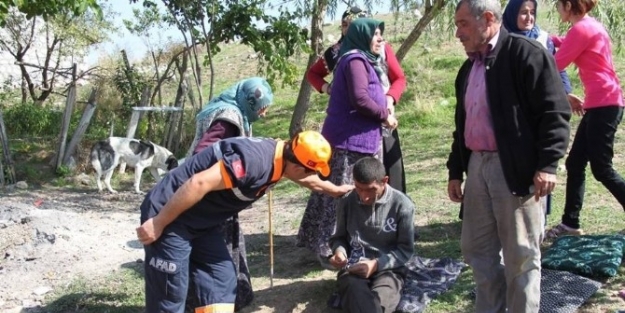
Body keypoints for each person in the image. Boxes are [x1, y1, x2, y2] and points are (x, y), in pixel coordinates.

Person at [136, 131, 353, 313]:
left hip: (201, 223)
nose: (310, 176)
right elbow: (198, 183)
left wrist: (334, 190)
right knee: (170, 294)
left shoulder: (282, 157)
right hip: (170, 215)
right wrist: (158, 223)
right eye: (311, 170)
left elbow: (302, 176)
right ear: (297, 165)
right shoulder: (253, 162)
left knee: (220, 279)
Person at [447, 0, 571, 312]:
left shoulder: (525, 54)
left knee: (521, 256)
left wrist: (547, 164)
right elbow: (462, 124)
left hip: (515, 169)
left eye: (463, 24)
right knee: (477, 250)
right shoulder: (468, 69)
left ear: (487, 18)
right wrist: (455, 170)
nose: (457, 33)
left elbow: (554, 112)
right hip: (477, 167)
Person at [297, 18, 397, 269]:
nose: (380, 39)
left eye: (380, 35)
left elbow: (392, 82)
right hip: (349, 143)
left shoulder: (363, 59)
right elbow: (361, 100)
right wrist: (385, 115)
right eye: (375, 35)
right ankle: (332, 253)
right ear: (362, 36)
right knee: (339, 197)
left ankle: (350, 248)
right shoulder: (354, 60)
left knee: (351, 196)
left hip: (360, 141)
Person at [184, 77, 273, 310]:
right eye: (262, 109)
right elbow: (204, 155)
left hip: (216, 190)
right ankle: (214, 302)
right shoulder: (228, 120)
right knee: (215, 257)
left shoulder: (232, 111)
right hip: (210, 193)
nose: (263, 115)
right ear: (250, 102)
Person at [545, 0, 625, 239]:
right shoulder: (590, 26)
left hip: (605, 103)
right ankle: (571, 223)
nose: (558, 9)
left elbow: (556, 64)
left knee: (602, 168)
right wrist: (549, 39)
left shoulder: (581, 30)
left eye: (559, 5)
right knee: (575, 162)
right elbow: (567, 43)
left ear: (568, 5)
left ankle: (571, 221)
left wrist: (531, 54)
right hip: (602, 103)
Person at [306, 6, 408, 193]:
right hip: (354, 124)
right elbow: (313, 74)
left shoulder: (382, 48)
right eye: (345, 24)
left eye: (353, 24)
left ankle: (391, 216)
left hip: (383, 116)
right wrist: (328, 88)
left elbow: (399, 78)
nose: (348, 27)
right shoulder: (338, 53)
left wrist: (389, 99)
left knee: (390, 171)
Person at [501, 0, 573, 228]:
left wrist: (566, 94)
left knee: (542, 161)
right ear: (512, 14)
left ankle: (540, 216)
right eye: (523, 12)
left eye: (532, 13)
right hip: (514, 115)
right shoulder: (502, 40)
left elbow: (557, 69)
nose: (529, 17)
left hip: (539, 112)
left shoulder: (543, 39)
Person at [329, 157, 415, 313]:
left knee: (382, 298)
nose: (364, 196)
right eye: (359, 188)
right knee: (354, 289)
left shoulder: (402, 205)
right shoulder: (347, 201)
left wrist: (376, 264)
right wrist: (339, 253)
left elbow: (405, 250)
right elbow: (339, 238)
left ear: (384, 181)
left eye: (370, 189)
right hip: (354, 267)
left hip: (390, 269)